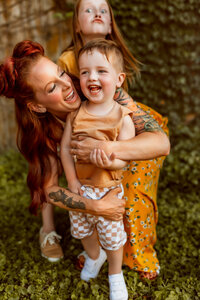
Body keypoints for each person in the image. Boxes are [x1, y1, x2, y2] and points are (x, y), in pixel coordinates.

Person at [0, 39, 169, 269]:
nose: (66, 85)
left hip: (137, 140)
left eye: (61, 73)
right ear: (37, 106)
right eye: (52, 88)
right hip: (95, 170)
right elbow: (50, 191)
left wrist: (106, 149)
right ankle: (50, 231)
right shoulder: (45, 133)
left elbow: (161, 143)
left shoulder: (96, 88)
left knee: (127, 206)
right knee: (101, 209)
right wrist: (95, 207)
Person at [58, 0, 170, 279]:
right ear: (76, 23)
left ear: (110, 24)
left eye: (103, 10)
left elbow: (129, 112)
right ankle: (97, 247)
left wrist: (111, 146)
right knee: (95, 177)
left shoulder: (115, 58)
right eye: (88, 9)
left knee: (130, 181)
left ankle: (137, 249)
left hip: (120, 129)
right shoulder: (67, 61)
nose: (97, 12)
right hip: (84, 129)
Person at [61, 39, 135, 300]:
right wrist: (71, 179)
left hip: (108, 191)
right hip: (80, 189)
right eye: (84, 72)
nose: (92, 77)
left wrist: (110, 162)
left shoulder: (122, 117)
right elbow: (65, 149)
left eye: (101, 71)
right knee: (82, 231)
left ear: (118, 79)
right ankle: (95, 255)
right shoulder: (76, 114)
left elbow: (125, 158)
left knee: (114, 239)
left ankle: (115, 273)